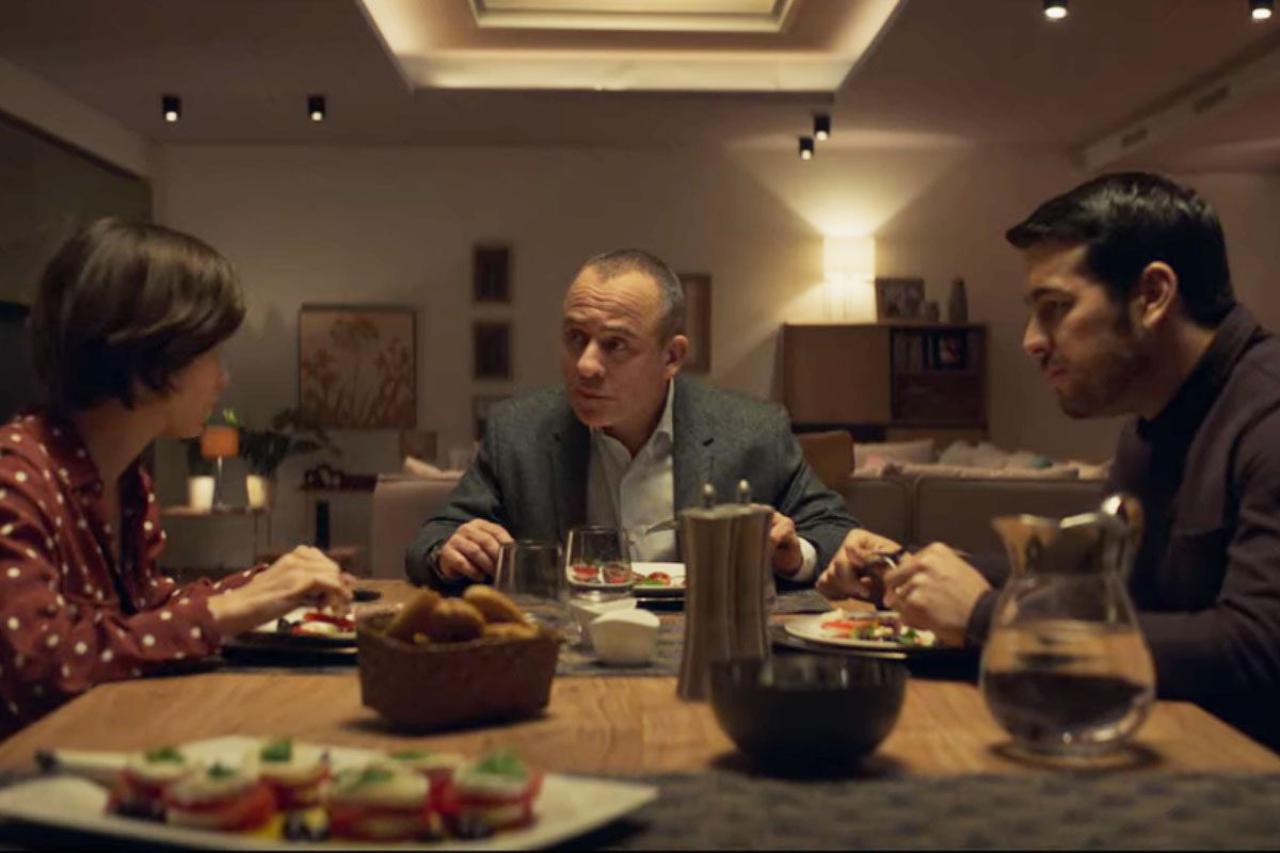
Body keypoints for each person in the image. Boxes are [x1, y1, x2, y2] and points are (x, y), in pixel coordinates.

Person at [820, 172, 1280, 748]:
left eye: (1056, 307)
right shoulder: (1151, 426)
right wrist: (906, 569)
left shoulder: (1267, 418)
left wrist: (988, 616)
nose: (1032, 341)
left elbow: (1258, 650)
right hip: (1163, 744)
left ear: (1153, 295)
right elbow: (1094, 584)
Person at [0, 218, 354, 736]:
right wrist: (229, 610)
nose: (222, 377)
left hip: (98, 741)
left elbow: (143, 615)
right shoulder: (16, 476)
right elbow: (37, 666)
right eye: (211, 352)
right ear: (152, 354)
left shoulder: (124, 480)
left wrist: (266, 584)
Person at [408, 249, 879, 589]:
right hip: (562, 651)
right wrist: (450, 550)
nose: (585, 365)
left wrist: (793, 555)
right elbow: (430, 540)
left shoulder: (752, 430)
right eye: (575, 338)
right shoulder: (518, 431)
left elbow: (834, 531)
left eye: (614, 345)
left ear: (671, 357)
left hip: (705, 649)